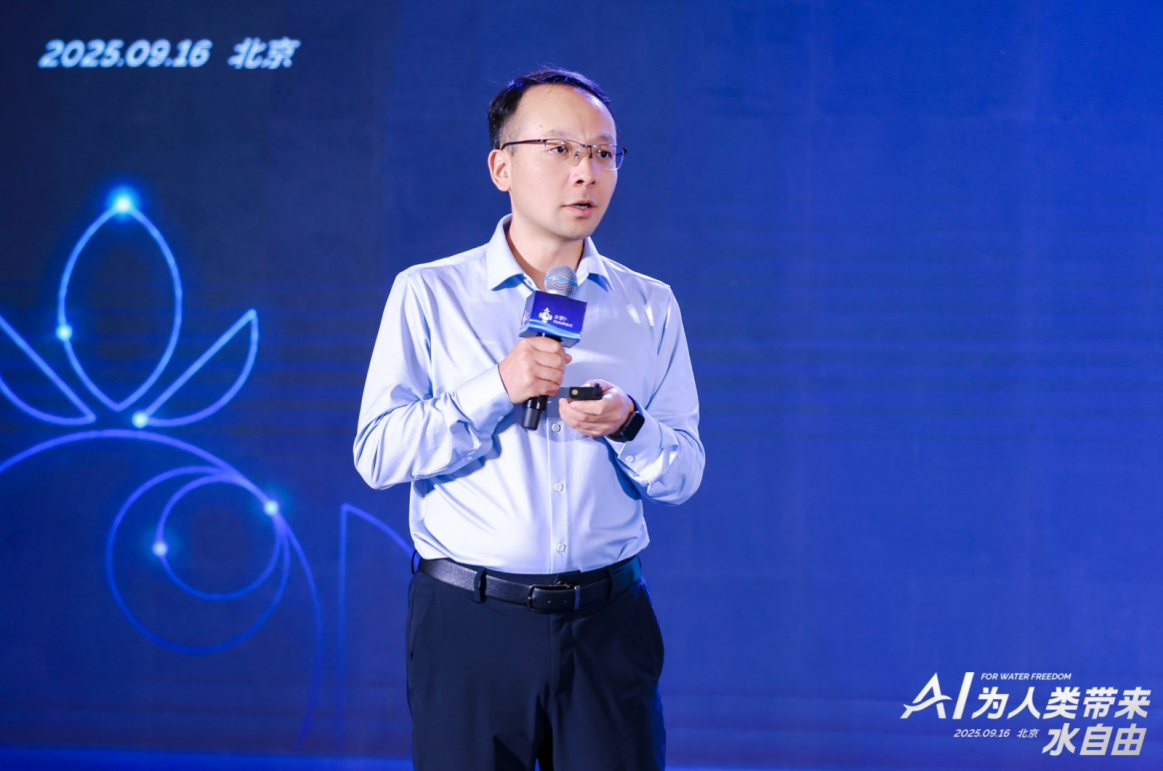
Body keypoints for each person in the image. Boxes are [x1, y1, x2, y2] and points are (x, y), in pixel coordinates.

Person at [354, 68, 704, 771]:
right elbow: (379, 454)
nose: (586, 172)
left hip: (608, 625)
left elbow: (683, 474)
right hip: (470, 623)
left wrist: (628, 425)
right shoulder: (429, 293)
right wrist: (495, 388)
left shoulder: (649, 304)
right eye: (561, 149)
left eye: (603, 153)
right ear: (501, 167)